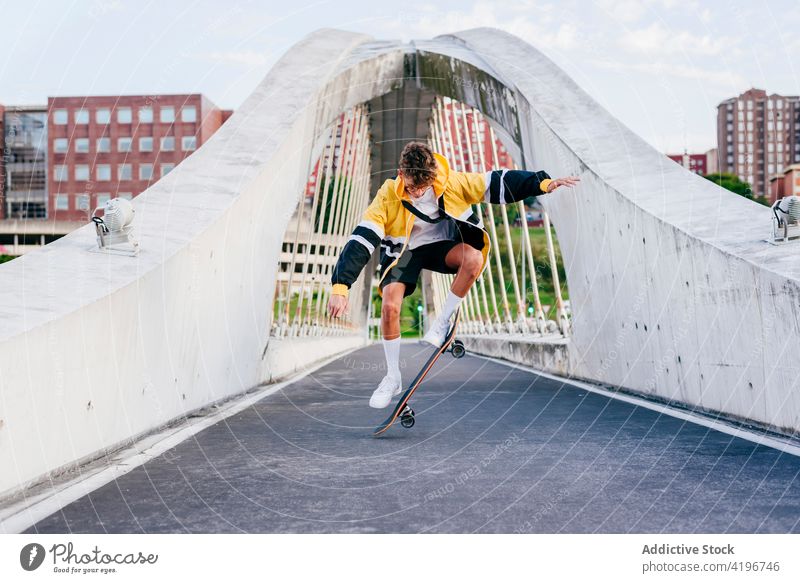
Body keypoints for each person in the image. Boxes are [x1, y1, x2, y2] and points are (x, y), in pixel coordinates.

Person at [327, 141, 579, 408]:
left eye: (424, 187)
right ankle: (392, 377)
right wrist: (341, 287)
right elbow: (363, 239)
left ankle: (442, 322)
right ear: (401, 175)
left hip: (440, 247)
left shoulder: (451, 181)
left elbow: (496, 183)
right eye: (412, 188)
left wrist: (541, 184)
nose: (417, 193)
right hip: (406, 252)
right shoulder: (388, 194)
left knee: (474, 257)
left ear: (433, 175)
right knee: (390, 307)